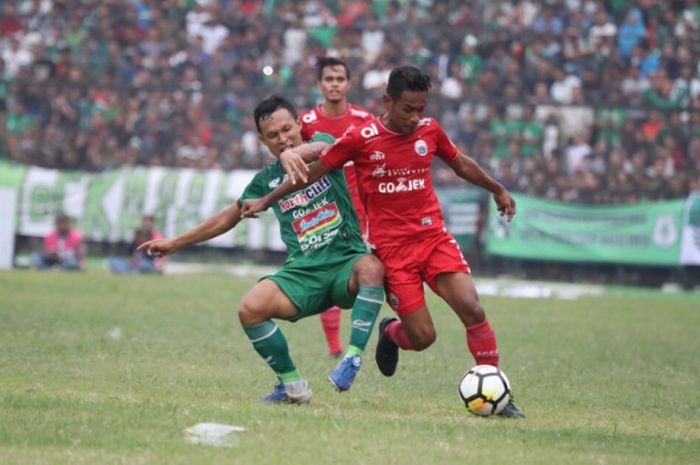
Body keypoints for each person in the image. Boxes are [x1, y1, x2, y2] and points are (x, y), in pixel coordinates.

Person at [242, 66, 525, 417]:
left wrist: (496, 188)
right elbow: (311, 172)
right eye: (408, 109)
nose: (416, 117)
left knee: (473, 308)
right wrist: (266, 201)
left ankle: (500, 394)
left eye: (421, 109)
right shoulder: (362, 139)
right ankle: (391, 332)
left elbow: (460, 163)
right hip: (393, 254)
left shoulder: (430, 130)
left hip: (433, 239)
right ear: (388, 101)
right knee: (422, 338)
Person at [138, 96, 385, 404]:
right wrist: (174, 243)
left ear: (299, 125)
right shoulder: (265, 180)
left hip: (345, 263)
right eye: (273, 136)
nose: (282, 139)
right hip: (303, 272)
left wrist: (295, 153)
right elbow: (229, 216)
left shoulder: (322, 142)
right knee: (250, 309)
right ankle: (293, 386)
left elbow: (322, 149)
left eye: (287, 129)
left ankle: (352, 358)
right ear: (261, 141)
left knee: (373, 267)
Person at [300, 56, 374, 359]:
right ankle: (334, 347)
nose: (334, 84)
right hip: (323, 211)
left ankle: (361, 338)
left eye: (339, 79)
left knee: (363, 275)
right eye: (329, 79)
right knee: (329, 274)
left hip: (359, 214)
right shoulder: (306, 123)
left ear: (348, 84)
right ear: (320, 84)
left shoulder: (363, 120)